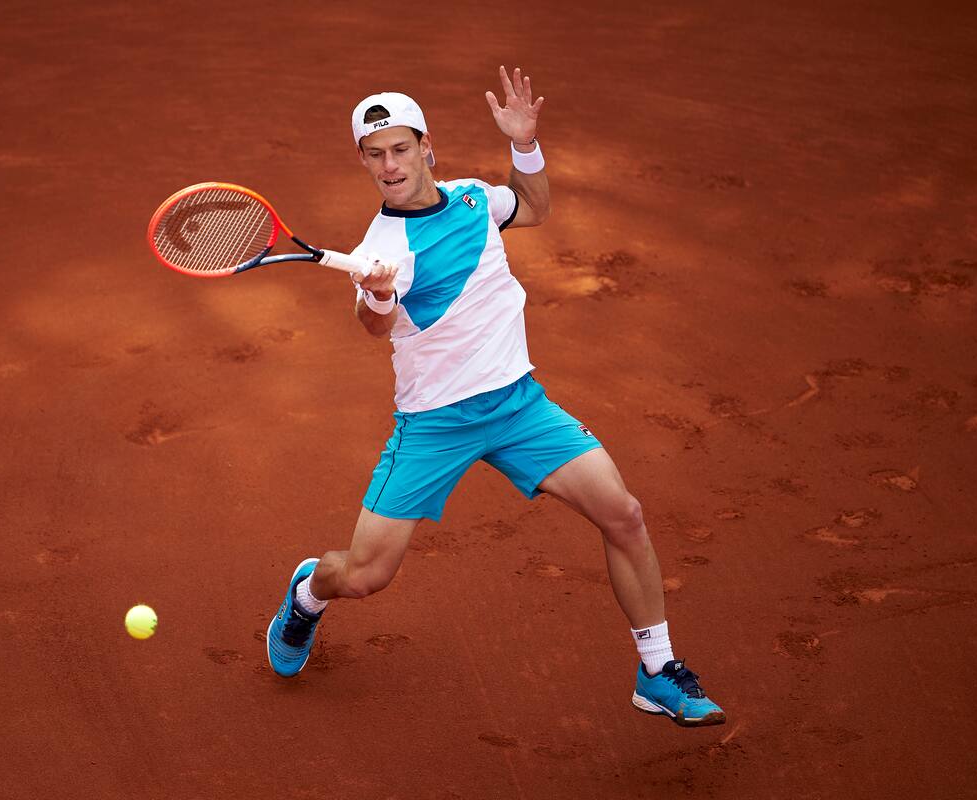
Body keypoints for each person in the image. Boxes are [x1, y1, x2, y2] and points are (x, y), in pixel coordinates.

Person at [266, 66, 724, 727]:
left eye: (399, 149)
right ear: (363, 161)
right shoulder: (382, 246)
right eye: (374, 155)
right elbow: (374, 327)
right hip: (434, 424)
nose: (388, 166)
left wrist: (524, 146)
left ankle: (657, 672)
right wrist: (378, 292)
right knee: (364, 576)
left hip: (517, 406)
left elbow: (532, 207)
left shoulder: (476, 199)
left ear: (428, 148)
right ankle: (307, 595)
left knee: (623, 514)